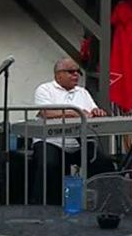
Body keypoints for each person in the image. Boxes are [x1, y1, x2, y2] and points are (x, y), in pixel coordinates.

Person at [29, 57, 109, 204]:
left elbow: (92, 111)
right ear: (58, 75)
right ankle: (45, 207)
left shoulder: (83, 92)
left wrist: (97, 112)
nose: (76, 75)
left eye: (77, 72)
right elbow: (46, 112)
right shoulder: (45, 89)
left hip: (78, 142)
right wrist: (75, 113)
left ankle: (106, 205)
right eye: (71, 72)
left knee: (104, 164)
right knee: (49, 164)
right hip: (51, 141)